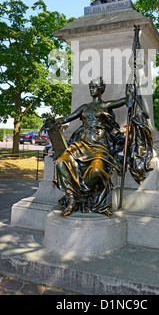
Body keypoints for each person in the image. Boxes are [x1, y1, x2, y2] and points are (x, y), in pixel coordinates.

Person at [53, 78, 127, 216]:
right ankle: (72, 199)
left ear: (101, 89)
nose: (91, 90)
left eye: (94, 87)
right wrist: (53, 122)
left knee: (97, 170)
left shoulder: (106, 105)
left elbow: (125, 101)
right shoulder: (84, 107)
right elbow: (65, 119)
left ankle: (82, 195)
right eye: (90, 87)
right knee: (61, 163)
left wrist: (132, 92)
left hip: (99, 147)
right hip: (81, 146)